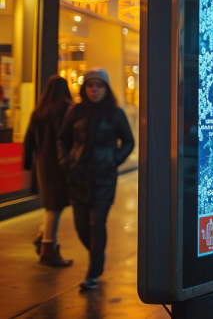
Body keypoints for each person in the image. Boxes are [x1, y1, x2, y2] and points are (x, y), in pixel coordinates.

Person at [58, 68, 134, 290]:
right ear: (85, 88)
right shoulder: (76, 112)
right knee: (81, 226)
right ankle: (98, 255)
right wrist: (66, 161)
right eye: (90, 86)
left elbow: (128, 142)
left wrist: (113, 160)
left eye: (99, 86)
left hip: (103, 177)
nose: (94, 90)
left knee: (96, 223)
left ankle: (93, 273)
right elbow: (62, 138)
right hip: (78, 176)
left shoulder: (115, 113)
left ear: (106, 88)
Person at [23, 75, 73, 266]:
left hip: (43, 165)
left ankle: (43, 236)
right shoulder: (68, 109)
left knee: (53, 204)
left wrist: (27, 165)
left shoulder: (38, 111)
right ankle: (47, 247)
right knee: (55, 206)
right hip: (61, 165)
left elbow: (28, 141)